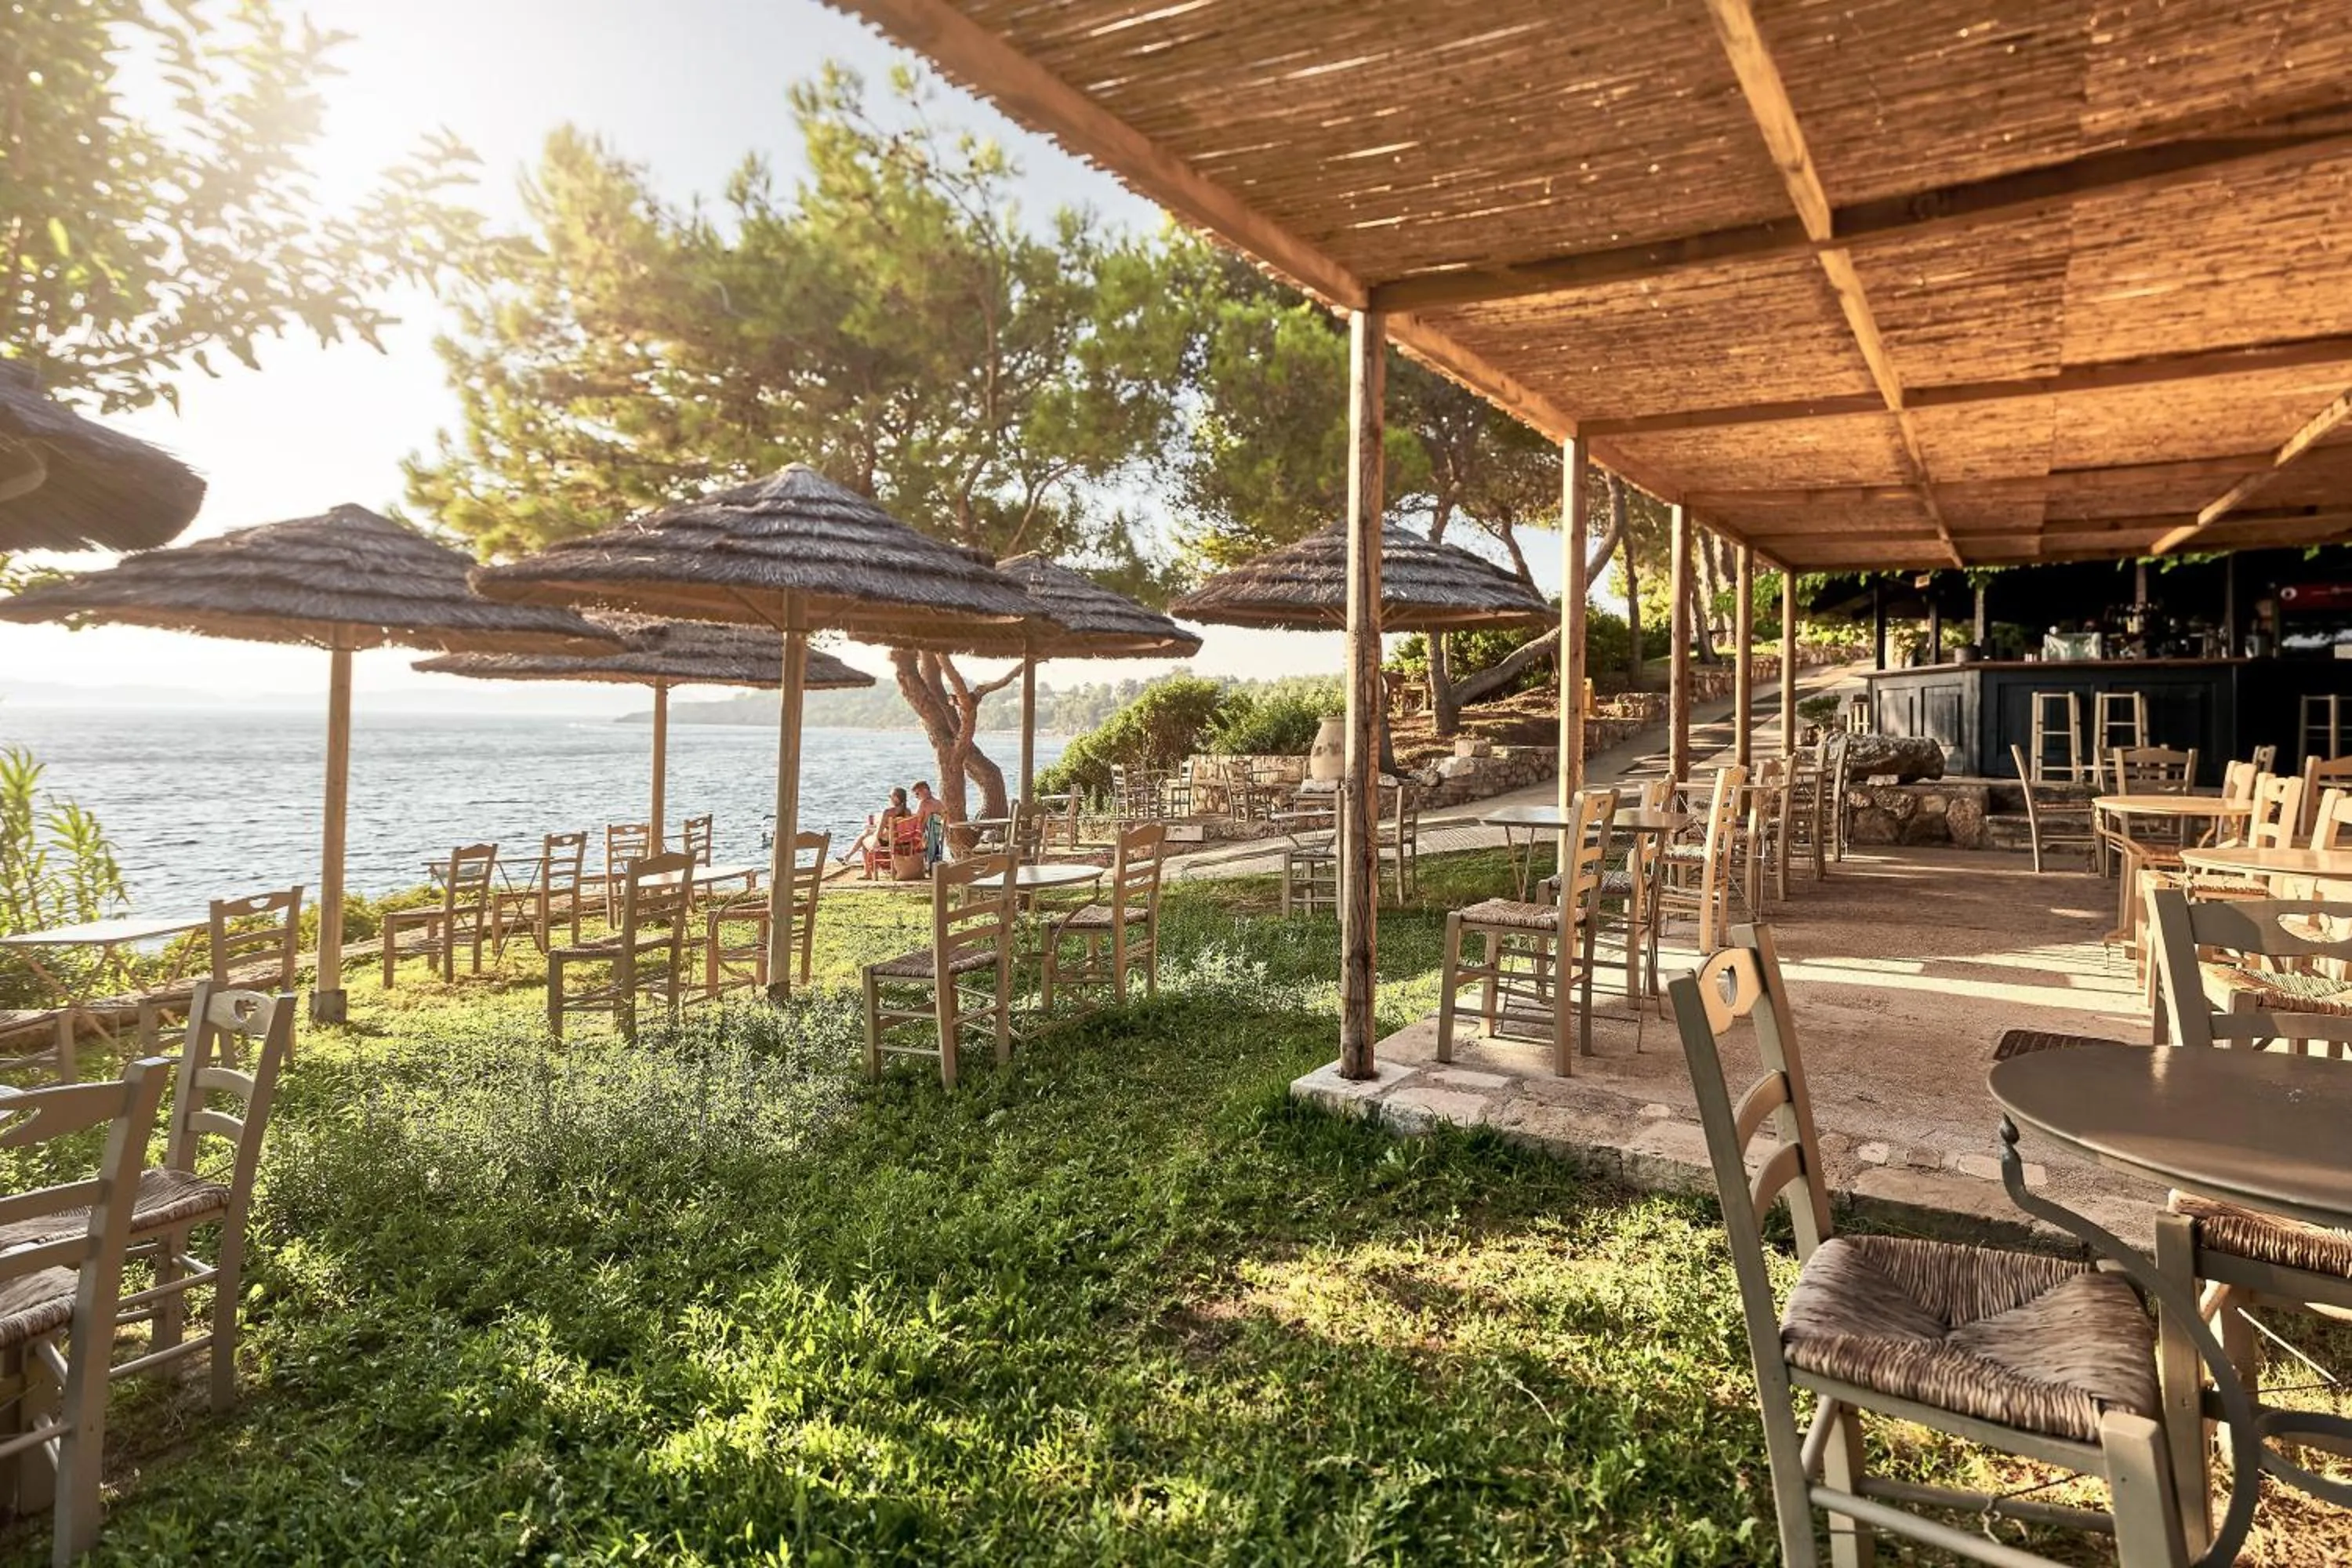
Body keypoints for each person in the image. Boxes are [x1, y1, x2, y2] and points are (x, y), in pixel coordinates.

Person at [846, 786, 910, 873]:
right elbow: (893, 827)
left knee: (863, 840)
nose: (889, 798)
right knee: (867, 831)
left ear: (896, 798)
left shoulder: (888, 812)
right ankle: (848, 856)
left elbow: (878, 835)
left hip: (888, 842)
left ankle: (867, 872)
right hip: (901, 840)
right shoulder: (907, 811)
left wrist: (873, 834)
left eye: (890, 796)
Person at [910, 781, 948, 867]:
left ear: (924, 790)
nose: (916, 797)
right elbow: (945, 818)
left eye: (917, 794)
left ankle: (913, 867)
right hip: (936, 836)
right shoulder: (939, 803)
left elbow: (918, 821)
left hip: (924, 835)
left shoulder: (923, 803)